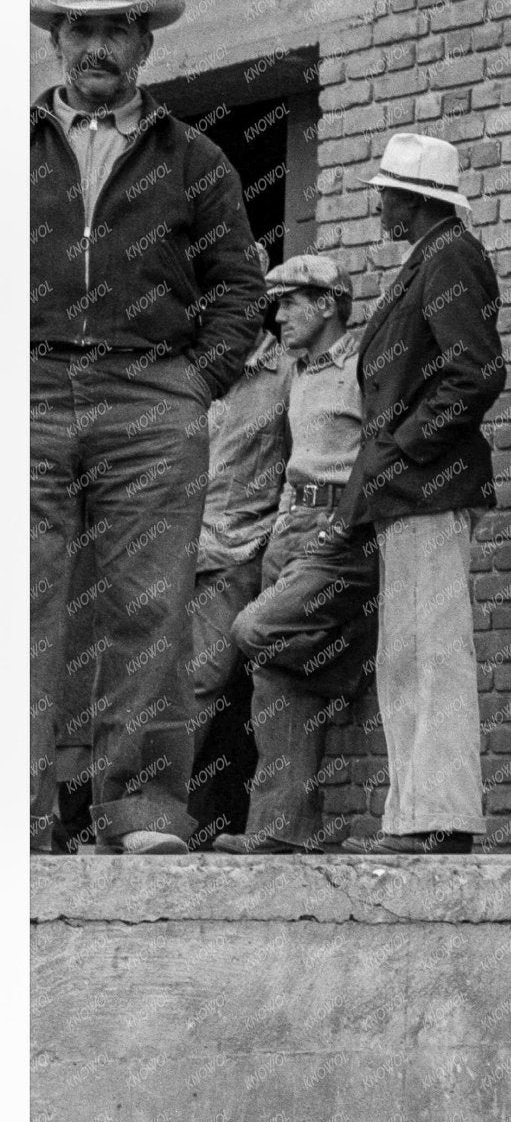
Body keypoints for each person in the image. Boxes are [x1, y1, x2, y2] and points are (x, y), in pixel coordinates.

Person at [30, 0, 266, 853]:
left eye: (115, 32)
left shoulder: (195, 156)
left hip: (150, 399)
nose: (97, 48)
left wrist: (194, 384)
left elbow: (239, 288)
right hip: (33, 389)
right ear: (59, 40)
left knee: (150, 605)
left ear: (144, 46)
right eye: (81, 29)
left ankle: (142, 810)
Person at [331, 131, 505, 855]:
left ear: (415, 199)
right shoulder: (427, 259)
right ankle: (415, 814)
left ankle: (442, 818)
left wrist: (404, 451)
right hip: (405, 496)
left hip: (428, 488)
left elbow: (476, 372)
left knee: (431, 653)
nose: (379, 204)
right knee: (405, 655)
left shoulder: (451, 256)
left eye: (387, 193)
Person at [213, 255, 380, 853]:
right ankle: (281, 830)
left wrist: (346, 525)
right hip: (291, 525)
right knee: (274, 675)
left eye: (290, 301)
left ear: (328, 303)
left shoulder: (365, 365)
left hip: (340, 529)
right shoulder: (295, 372)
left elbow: (379, 452)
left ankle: (344, 666)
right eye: (275, 301)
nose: (277, 314)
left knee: (253, 630)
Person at [185, 308, 292, 844]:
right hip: (177, 547)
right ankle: (129, 813)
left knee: (204, 682)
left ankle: (168, 814)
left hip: (238, 550)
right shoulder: (199, 363)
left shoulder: (289, 372)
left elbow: (301, 462)